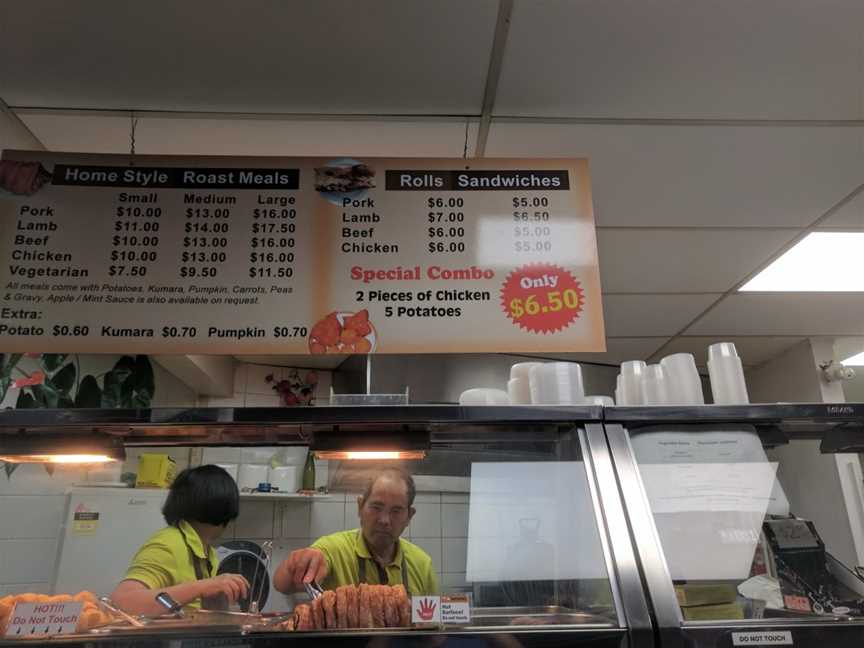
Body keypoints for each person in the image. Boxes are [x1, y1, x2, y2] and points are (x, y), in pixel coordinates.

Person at [274, 467, 438, 595]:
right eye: (376, 507)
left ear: (409, 516)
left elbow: (435, 631)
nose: (384, 520)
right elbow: (281, 584)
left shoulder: (421, 564)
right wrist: (295, 565)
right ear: (360, 506)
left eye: (396, 511)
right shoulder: (333, 549)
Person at [111, 465, 250, 615]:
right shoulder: (168, 544)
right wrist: (202, 587)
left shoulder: (207, 552)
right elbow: (123, 601)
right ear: (224, 508)